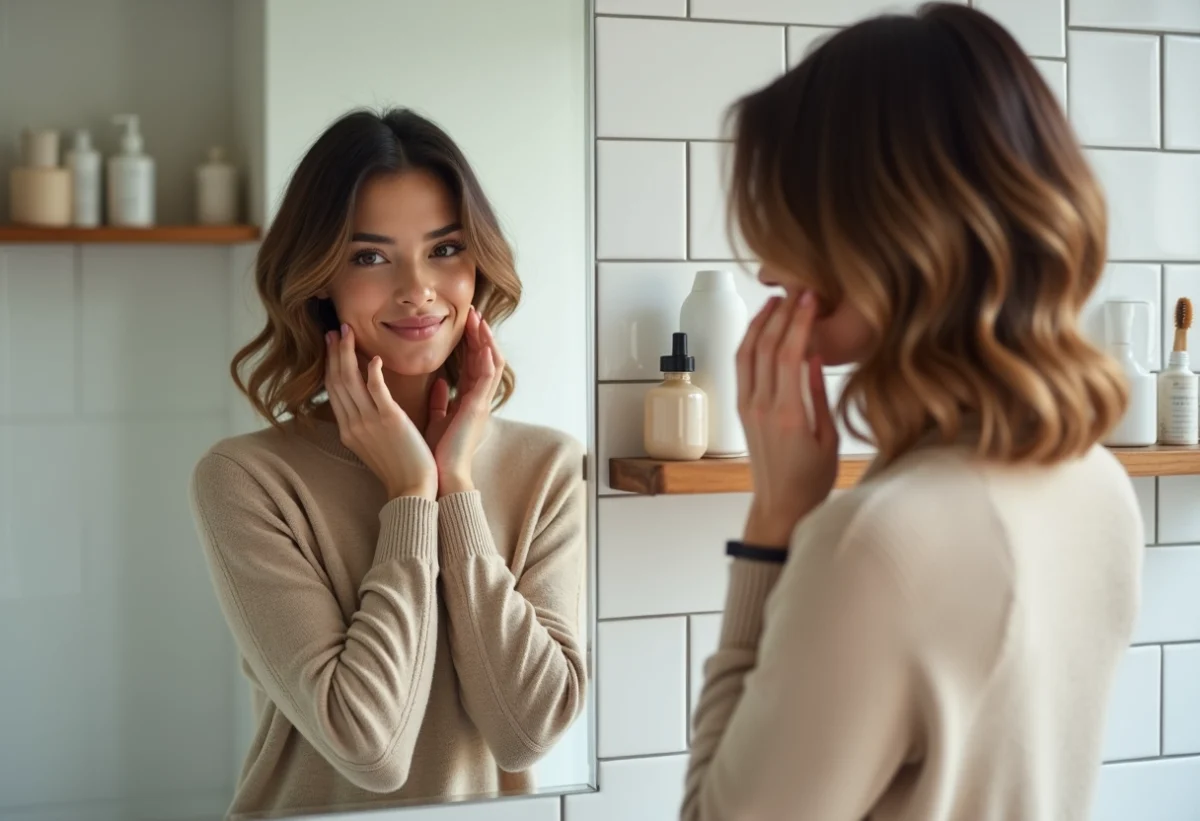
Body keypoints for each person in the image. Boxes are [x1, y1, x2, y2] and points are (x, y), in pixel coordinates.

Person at [683, 5, 1143, 820]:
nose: (763, 265)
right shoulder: (1095, 482)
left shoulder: (879, 546)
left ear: (882, 227)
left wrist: (776, 520)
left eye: (787, 215)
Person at [189, 108, 587, 819]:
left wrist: (455, 488)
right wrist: (410, 493)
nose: (417, 288)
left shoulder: (550, 467)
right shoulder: (247, 480)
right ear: (320, 280)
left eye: (445, 249)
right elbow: (371, 747)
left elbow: (526, 731)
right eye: (371, 256)